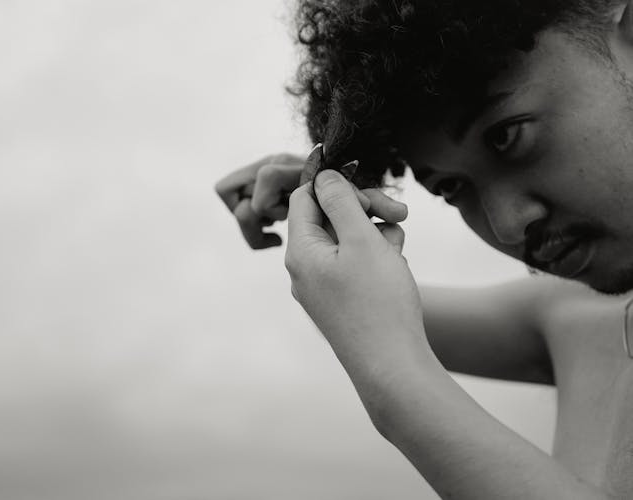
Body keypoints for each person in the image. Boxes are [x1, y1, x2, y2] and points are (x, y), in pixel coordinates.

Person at [215, 1, 633, 498]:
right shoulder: (578, 316)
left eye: (507, 136)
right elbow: (359, 310)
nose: (508, 225)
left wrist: (392, 378)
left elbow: (379, 335)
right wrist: (324, 213)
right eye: (452, 188)